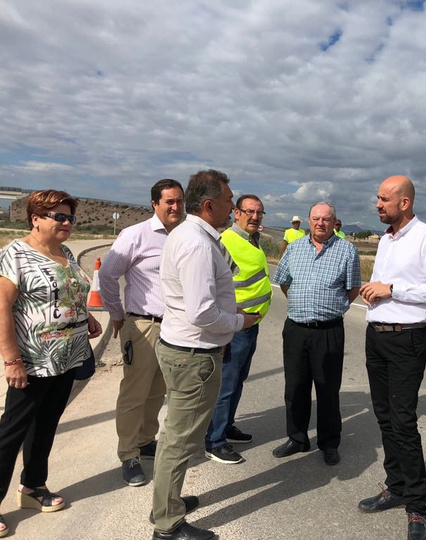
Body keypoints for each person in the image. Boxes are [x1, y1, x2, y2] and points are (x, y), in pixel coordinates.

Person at [151, 170, 259, 540]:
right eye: (229, 200)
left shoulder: (189, 234)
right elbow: (201, 312)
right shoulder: (197, 243)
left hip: (186, 348)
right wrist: (239, 322)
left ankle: (169, 502)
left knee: (175, 438)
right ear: (210, 205)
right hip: (193, 355)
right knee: (179, 442)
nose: (233, 206)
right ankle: (167, 524)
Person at [0, 190, 102, 538]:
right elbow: (2, 309)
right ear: (36, 218)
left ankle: (33, 487)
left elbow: (69, 292)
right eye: (59, 216)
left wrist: (85, 317)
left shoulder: (65, 252)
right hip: (31, 359)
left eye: (70, 218)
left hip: (67, 357)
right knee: (10, 433)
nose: (66, 223)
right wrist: (11, 359)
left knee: (45, 425)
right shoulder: (15, 254)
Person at [358, 175, 426, 540]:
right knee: (384, 418)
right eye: (378, 198)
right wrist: (375, 292)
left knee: (403, 422)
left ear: (405, 202)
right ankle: (395, 486)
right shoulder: (386, 239)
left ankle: (417, 508)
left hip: (405, 341)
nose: (377, 204)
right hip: (376, 337)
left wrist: (391, 288)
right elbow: (386, 286)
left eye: (383, 199)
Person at [98, 179, 184, 487]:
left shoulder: (184, 235)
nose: (175, 207)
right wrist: (117, 314)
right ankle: (128, 454)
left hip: (176, 328)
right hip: (144, 325)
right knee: (135, 392)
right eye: (169, 202)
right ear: (155, 204)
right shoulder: (135, 235)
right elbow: (107, 274)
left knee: (158, 390)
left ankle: (147, 441)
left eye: (179, 201)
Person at [272, 202, 360, 466]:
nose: (320, 223)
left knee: (328, 389)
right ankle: (297, 438)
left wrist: (332, 307)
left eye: (326, 219)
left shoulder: (347, 250)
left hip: (329, 330)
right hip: (297, 329)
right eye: (316, 218)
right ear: (309, 220)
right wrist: (303, 304)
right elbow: (284, 281)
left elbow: (353, 288)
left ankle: (329, 443)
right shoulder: (295, 248)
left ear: (334, 222)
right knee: (295, 387)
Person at [204, 194, 272, 464]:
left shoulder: (251, 240)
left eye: (260, 213)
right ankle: (215, 440)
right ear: (236, 213)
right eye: (250, 212)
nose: (255, 217)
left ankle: (227, 426)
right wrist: (230, 318)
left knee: (237, 381)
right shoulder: (228, 242)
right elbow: (215, 286)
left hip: (250, 325)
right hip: (235, 327)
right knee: (226, 385)